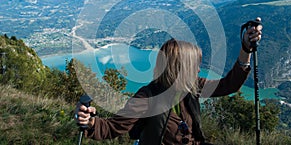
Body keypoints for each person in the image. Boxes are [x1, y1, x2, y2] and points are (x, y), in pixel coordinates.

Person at [74, 18, 263, 145]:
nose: (198, 69)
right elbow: (111, 128)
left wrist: (246, 48)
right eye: (195, 65)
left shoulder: (192, 85)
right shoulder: (148, 97)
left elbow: (228, 85)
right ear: (180, 68)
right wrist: (89, 121)